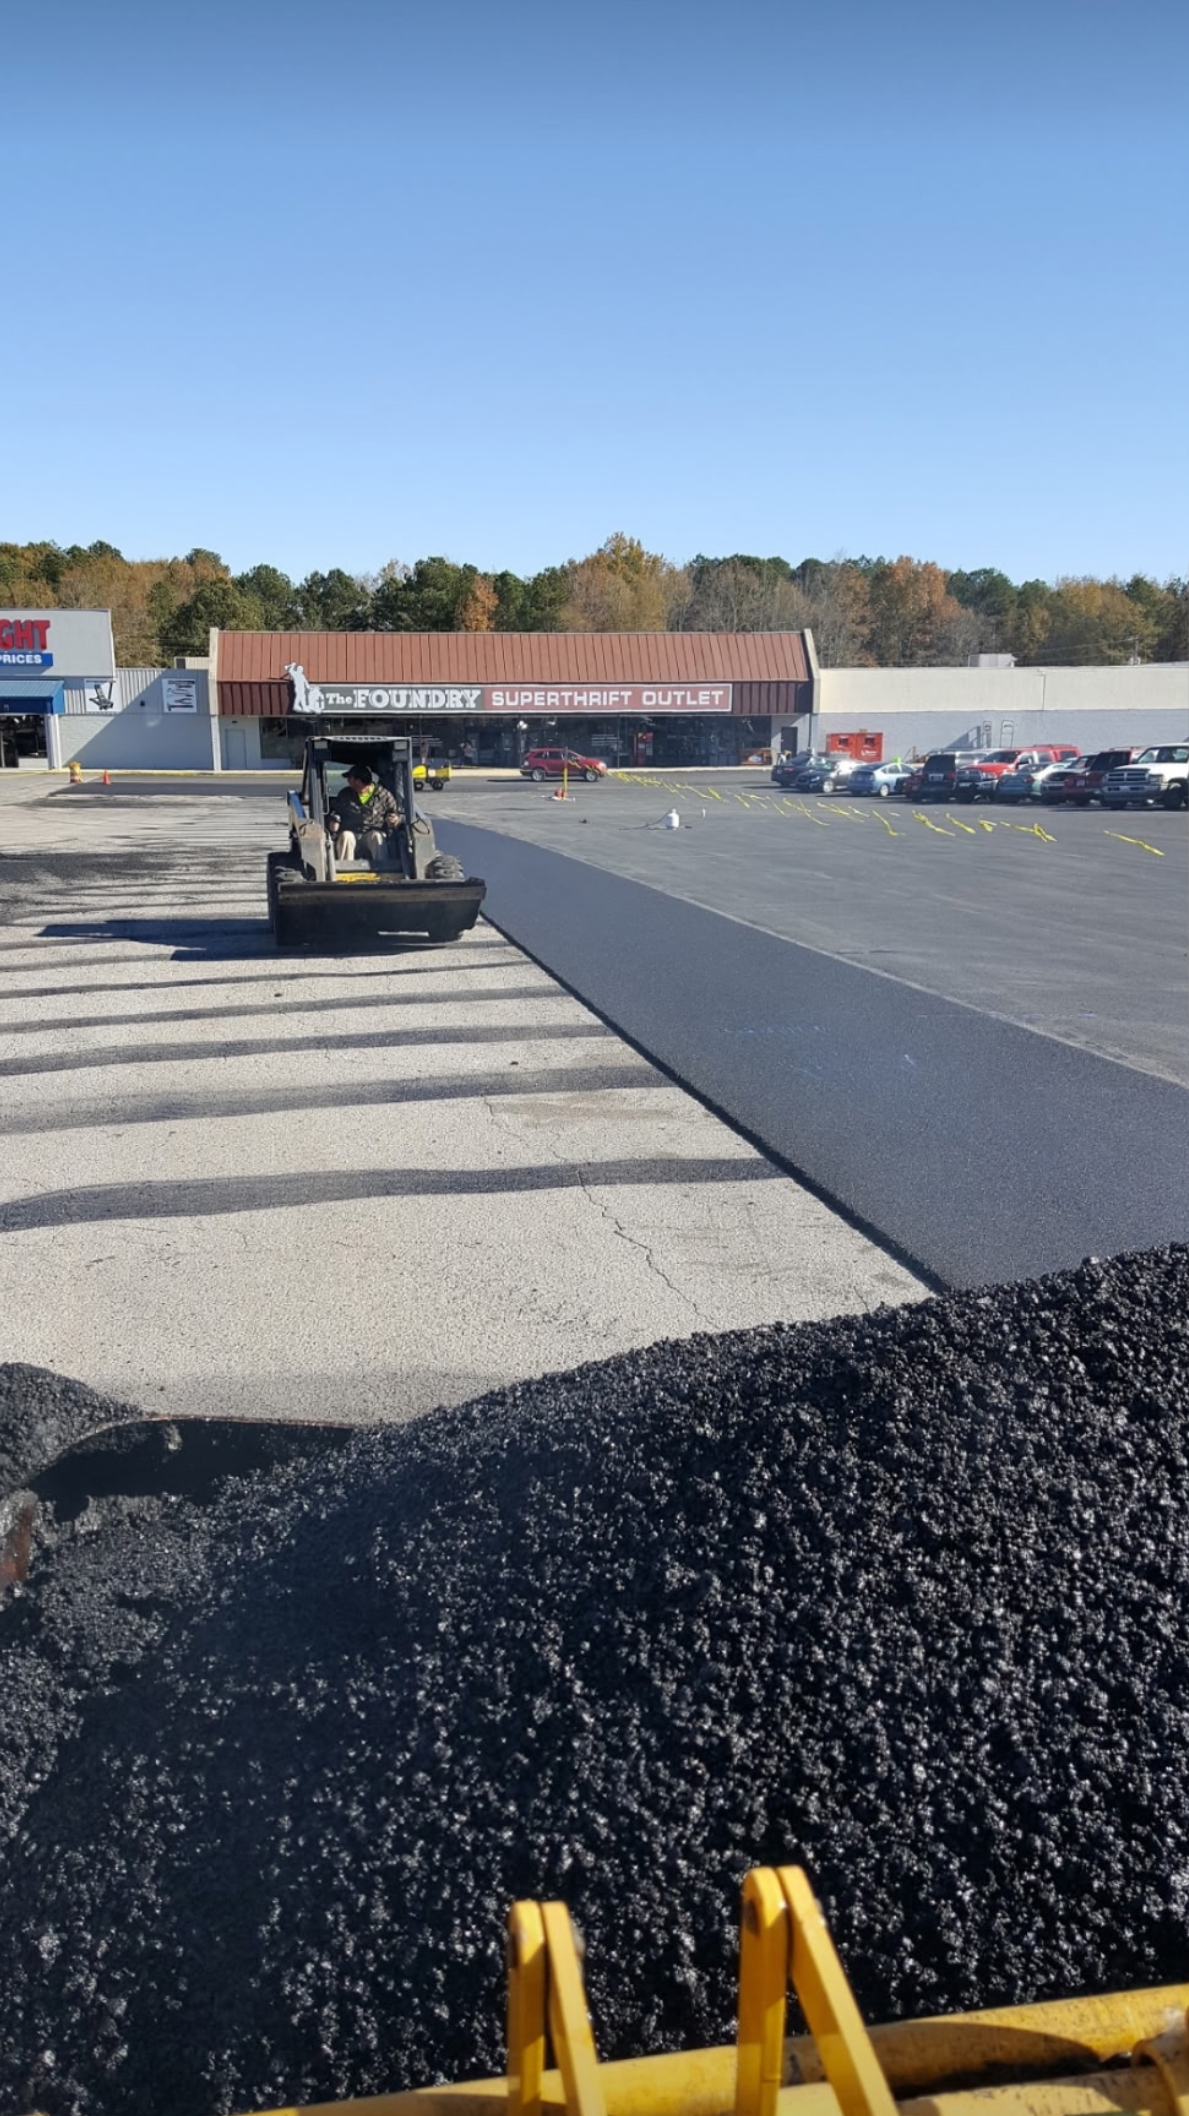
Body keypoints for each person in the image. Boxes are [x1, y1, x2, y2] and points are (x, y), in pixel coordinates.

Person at [326, 764, 402, 863]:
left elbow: (396, 813)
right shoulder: (345, 794)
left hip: (371, 832)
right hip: (351, 832)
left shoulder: (384, 795)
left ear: (358, 781)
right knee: (346, 836)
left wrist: (395, 820)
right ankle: (345, 870)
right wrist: (333, 821)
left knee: (377, 837)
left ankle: (382, 870)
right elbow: (335, 811)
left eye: (350, 779)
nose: (348, 781)